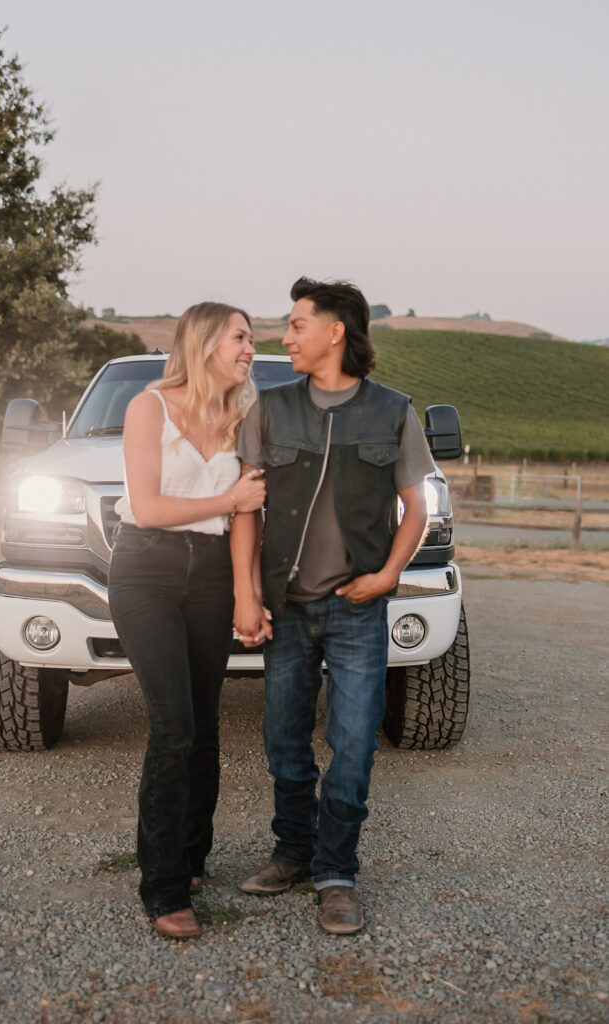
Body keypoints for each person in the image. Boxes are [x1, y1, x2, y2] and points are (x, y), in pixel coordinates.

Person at [231, 277, 435, 934]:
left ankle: (335, 873)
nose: (283, 337)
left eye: (295, 324)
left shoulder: (393, 410)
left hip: (356, 609)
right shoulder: (270, 408)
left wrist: (385, 577)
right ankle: (291, 852)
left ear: (335, 331)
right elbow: (244, 509)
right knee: (283, 740)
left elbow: (417, 509)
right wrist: (247, 593)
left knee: (352, 745)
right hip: (288, 606)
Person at [108, 302, 266, 940]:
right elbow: (146, 508)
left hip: (214, 575)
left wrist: (246, 594)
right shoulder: (149, 407)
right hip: (146, 570)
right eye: (241, 337)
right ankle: (163, 887)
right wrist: (229, 498)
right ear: (205, 342)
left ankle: (192, 858)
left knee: (203, 726)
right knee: (172, 725)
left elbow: (247, 519)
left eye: (252, 339)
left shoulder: (244, 420)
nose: (251, 348)